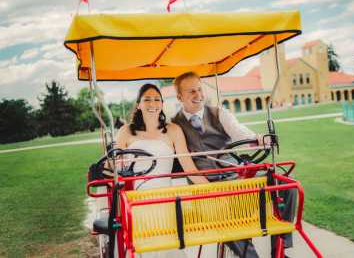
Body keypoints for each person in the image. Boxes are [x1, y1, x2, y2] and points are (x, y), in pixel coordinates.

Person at [171, 72, 295, 258]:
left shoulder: (219, 113)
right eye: (191, 92)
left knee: (287, 183)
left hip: (235, 180)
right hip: (207, 192)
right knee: (228, 221)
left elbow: (240, 133)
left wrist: (259, 139)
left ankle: (279, 249)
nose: (198, 95)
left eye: (199, 89)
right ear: (180, 97)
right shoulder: (175, 125)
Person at [116, 83, 208, 190]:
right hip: (133, 198)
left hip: (164, 196)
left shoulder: (174, 130)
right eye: (147, 100)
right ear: (138, 105)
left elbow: (190, 169)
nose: (152, 104)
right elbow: (115, 167)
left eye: (157, 99)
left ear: (162, 104)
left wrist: (213, 189)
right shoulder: (125, 131)